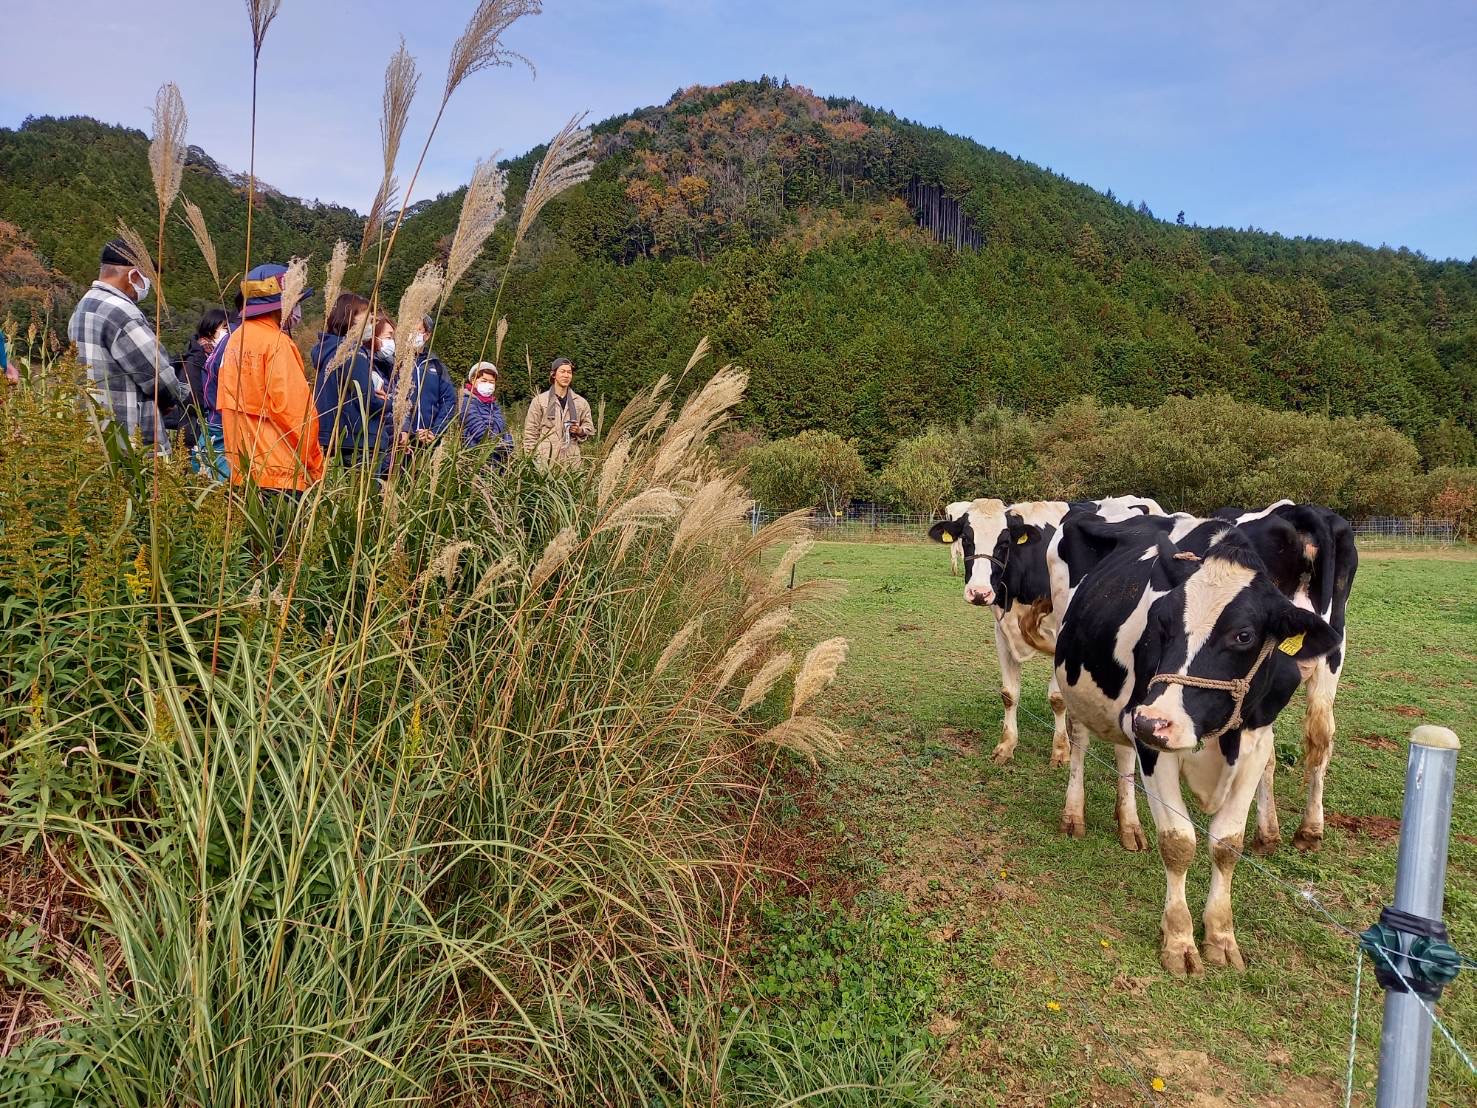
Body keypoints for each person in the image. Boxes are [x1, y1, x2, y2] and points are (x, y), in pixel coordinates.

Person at [66, 237, 190, 452]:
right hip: (130, 438)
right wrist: (176, 397)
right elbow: (158, 376)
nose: (147, 285)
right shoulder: (121, 312)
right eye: (146, 276)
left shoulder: (83, 306)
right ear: (133, 274)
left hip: (94, 431)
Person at [216, 264, 324, 493]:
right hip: (280, 472)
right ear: (284, 304)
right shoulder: (277, 343)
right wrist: (315, 467)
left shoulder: (235, 340)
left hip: (242, 469)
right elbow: (297, 415)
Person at [308, 291, 374, 461]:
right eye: (366, 314)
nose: (372, 319)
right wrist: (390, 403)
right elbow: (366, 398)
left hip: (326, 435)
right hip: (354, 438)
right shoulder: (352, 353)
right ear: (349, 317)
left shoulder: (325, 350)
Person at [194, 292, 243, 480]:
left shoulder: (218, 352)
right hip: (218, 425)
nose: (226, 331)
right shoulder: (207, 356)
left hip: (213, 425)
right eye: (223, 327)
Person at [169, 309, 227, 449]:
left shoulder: (215, 355)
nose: (228, 332)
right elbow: (192, 398)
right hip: (195, 432)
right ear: (210, 330)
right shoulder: (196, 359)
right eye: (224, 327)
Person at [399, 315, 459, 448]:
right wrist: (404, 428)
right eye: (409, 330)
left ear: (427, 335)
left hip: (427, 440)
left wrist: (435, 431)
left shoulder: (436, 366)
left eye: (417, 330)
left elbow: (449, 400)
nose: (412, 334)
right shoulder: (396, 362)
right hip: (400, 439)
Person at [523, 356, 593, 468]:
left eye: (569, 372)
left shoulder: (580, 403)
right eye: (562, 371)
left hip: (571, 462)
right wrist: (530, 460)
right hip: (545, 460)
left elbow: (589, 428)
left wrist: (579, 430)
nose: (566, 375)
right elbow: (530, 432)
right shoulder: (540, 401)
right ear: (553, 374)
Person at [460, 361, 514, 463]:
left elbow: (502, 426)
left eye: (491, 382)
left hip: (496, 456)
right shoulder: (467, 401)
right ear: (473, 380)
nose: (488, 384)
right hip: (476, 456)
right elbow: (477, 427)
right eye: (484, 380)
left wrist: (508, 442)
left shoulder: (493, 404)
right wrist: (496, 443)